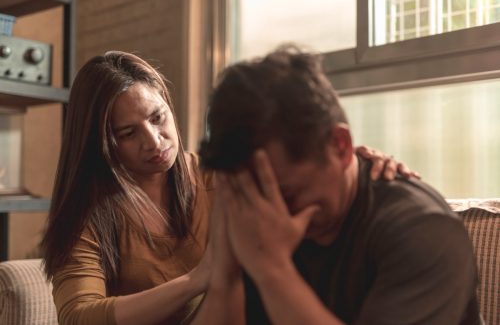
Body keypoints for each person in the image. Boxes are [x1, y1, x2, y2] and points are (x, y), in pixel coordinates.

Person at [40, 50, 418, 325]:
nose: (154, 142)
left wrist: (355, 163)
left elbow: (300, 175)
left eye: (158, 118)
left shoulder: (218, 175)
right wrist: (196, 280)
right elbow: (78, 316)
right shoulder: (87, 214)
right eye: (128, 133)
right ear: (102, 144)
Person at [198, 46, 481, 325]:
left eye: (287, 195)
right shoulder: (255, 213)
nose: (271, 217)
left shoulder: (423, 229)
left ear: (340, 147)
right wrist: (225, 275)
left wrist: (273, 270)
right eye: (251, 196)